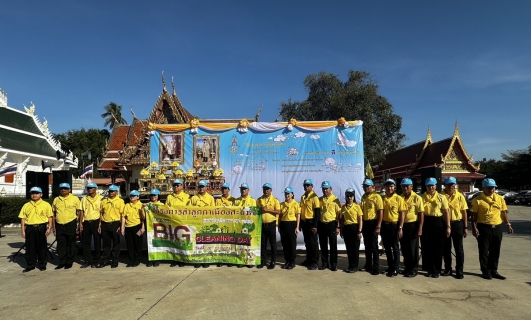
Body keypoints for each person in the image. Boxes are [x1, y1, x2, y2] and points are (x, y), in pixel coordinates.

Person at [471, 178, 514, 280]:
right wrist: (474, 228)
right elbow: (474, 216)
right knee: (484, 251)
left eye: (493, 187)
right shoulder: (477, 200)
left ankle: (494, 270)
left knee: (495, 250)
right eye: (489, 188)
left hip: (497, 227)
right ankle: (485, 271)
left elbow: (503, 212)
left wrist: (508, 224)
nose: (492, 189)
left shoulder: (500, 198)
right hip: (483, 227)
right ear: (483, 188)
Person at [18, 187, 53, 272]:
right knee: (30, 247)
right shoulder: (26, 205)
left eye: (37, 193)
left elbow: (50, 217)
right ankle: (30, 265)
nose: (34, 195)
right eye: (32, 193)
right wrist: (23, 230)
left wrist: (49, 228)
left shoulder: (46, 204)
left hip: (41, 227)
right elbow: (23, 218)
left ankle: (42, 264)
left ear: (41, 194)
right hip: (30, 228)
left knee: (42, 247)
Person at [421, 177, 450, 278]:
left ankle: (437, 270)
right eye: (429, 186)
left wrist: (448, 226)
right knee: (427, 248)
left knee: (438, 248)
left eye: (432, 185)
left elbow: (446, 212)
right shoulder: (422, 197)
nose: (431, 187)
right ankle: (429, 269)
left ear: (436, 186)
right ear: (426, 186)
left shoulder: (441, 197)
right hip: (426, 222)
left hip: (438, 222)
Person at [442, 176, 468, 279]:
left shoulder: (460, 196)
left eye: (453, 185)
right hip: (445, 224)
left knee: (459, 249)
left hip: (458, 224)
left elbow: (464, 212)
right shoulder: (441, 195)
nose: (451, 187)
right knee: (446, 248)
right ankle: (448, 268)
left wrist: (465, 227)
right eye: (449, 185)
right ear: (445, 185)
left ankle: (459, 270)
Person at [380, 179, 406, 277]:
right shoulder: (383, 198)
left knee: (395, 248)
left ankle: (396, 268)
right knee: (387, 248)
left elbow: (402, 213)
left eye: (391, 186)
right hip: (385, 225)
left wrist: (400, 227)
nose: (389, 188)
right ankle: (390, 266)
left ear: (394, 187)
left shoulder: (399, 198)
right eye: (387, 186)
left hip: (395, 225)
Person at [52, 182, 81, 270]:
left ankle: (69, 261)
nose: (63, 190)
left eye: (65, 189)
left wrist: (79, 224)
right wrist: (53, 226)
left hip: (71, 224)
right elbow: (53, 213)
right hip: (59, 224)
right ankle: (62, 261)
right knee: (61, 244)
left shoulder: (75, 199)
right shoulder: (56, 199)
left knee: (70, 243)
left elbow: (79, 212)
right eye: (61, 189)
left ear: (69, 190)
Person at [399, 178, 424, 278]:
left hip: (412, 225)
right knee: (404, 248)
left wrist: (420, 228)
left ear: (411, 187)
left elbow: (421, 213)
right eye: (403, 186)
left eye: (407, 186)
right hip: (402, 225)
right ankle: (407, 267)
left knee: (413, 249)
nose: (405, 188)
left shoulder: (417, 198)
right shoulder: (400, 197)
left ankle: (414, 269)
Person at [97, 185, 125, 268]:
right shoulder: (104, 201)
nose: (111, 193)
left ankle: (115, 260)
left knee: (116, 243)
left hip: (115, 223)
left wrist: (121, 226)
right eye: (110, 191)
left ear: (116, 192)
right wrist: (100, 224)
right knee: (106, 243)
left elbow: (122, 215)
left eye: (113, 191)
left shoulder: (120, 201)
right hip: (105, 223)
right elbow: (101, 213)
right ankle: (106, 260)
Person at [360, 178, 383, 275]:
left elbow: (380, 211)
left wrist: (378, 226)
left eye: (367, 186)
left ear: (372, 187)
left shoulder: (377, 197)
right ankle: (368, 265)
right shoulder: (363, 197)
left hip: (373, 223)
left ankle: (376, 267)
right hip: (365, 223)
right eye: (364, 186)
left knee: (374, 246)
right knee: (367, 245)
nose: (365, 188)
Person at [190, 180, 215, 268]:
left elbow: (213, 212)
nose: (201, 188)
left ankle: (206, 259)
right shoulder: (193, 198)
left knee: (206, 241)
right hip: (196, 223)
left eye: (203, 186)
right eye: (200, 186)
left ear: (206, 188)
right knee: (196, 242)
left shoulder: (210, 198)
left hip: (206, 223)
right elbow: (189, 210)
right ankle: (197, 259)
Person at [318, 181, 341, 271]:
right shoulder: (319, 199)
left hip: (332, 224)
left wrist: (338, 226)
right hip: (322, 224)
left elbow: (339, 214)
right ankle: (324, 263)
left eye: (326, 188)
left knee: (333, 245)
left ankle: (333, 264)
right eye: (323, 188)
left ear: (331, 189)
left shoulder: (335, 199)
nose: (325, 190)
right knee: (323, 245)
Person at [257, 183, 281, 269]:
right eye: (264, 189)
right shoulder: (259, 200)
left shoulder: (275, 200)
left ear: (271, 190)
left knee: (272, 244)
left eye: (267, 189)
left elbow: (278, 211)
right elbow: (256, 211)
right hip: (262, 224)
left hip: (271, 224)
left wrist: (268, 210)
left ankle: (273, 261)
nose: (266, 191)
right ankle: (263, 261)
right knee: (262, 244)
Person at [78, 182, 103, 268]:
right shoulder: (84, 199)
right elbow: (81, 211)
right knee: (86, 242)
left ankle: (97, 260)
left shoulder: (101, 199)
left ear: (96, 189)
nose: (90, 189)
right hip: (86, 222)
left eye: (92, 188)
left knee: (97, 242)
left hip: (96, 221)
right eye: (88, 188)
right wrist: (80, 223)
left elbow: (101, 212)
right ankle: (87, 260)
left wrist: (100, 224)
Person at [339, 188, 363, 273]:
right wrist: (341, 230)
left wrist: (359, 231)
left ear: (354, 197)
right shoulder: (343, 208)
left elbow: (360, 219)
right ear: (345, 197)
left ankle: (354, 266)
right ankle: (350, 265)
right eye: (348, 196)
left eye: (351, 196)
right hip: (346, 229)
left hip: (355, 228)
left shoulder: (357, 207)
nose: (349, 198)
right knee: (349, 249)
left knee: (355, 249)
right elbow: (342, 220)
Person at [299, 179, 321, 270]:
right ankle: (308, 259)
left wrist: (315, 225)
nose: (306, 187)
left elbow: (317, 212)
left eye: (308, 185)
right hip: (304, 222)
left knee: (313, 243)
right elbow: (301, 211)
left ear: (312, 186)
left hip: (312, 222)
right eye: (305, 185)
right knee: (307, 243)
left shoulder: (314, 197)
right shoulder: (303, 197)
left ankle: (314, 262)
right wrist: (300, 223)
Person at [234, 183, 257, 268]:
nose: (243, 190)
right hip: (239, 225)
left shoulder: (252, 201)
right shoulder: (236, 201)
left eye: (245, 189)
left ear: (248, 190)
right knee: (240, 244)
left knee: (248, 244)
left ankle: (249, 260)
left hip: (248, 225)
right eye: (242, 189)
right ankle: (240, 260)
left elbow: (254, 214)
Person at [121, 190, 145, 267]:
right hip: (128, 227)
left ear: (138, 197)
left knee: (137, 243)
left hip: (137, 227)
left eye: (133, 196)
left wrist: (142, 227)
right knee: (130, 244)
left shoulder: (141, 205)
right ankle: (131, 260)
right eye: (131, 196)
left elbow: (143, 218)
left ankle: (137, 260)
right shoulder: (127, 205)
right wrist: (122, 228)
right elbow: (124, 217)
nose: (131, 197)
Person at [279, 187, 300, 270]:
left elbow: (298, 215)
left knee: (292, 244)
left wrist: (297, 227)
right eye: (286, 194)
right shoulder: (282, 204)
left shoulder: (295, 204)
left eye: (288, 194)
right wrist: (279, 226)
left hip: (292, 224)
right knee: (285, 244)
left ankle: (292, 261)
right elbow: (280, 216)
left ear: (292, 194)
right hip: (284, 224)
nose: (287, 195)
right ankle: (287, 261)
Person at [145, 188, 163, 267]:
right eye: (152, 195)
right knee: (149, 243)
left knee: (157, 243)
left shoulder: (162, 205)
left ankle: (157, 259)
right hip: (149, 227)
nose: (153, 197)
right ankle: (151, 259)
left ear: (158, 196)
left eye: (155, 195)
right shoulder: (147, 205)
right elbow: (143, 217)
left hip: (158, 227)